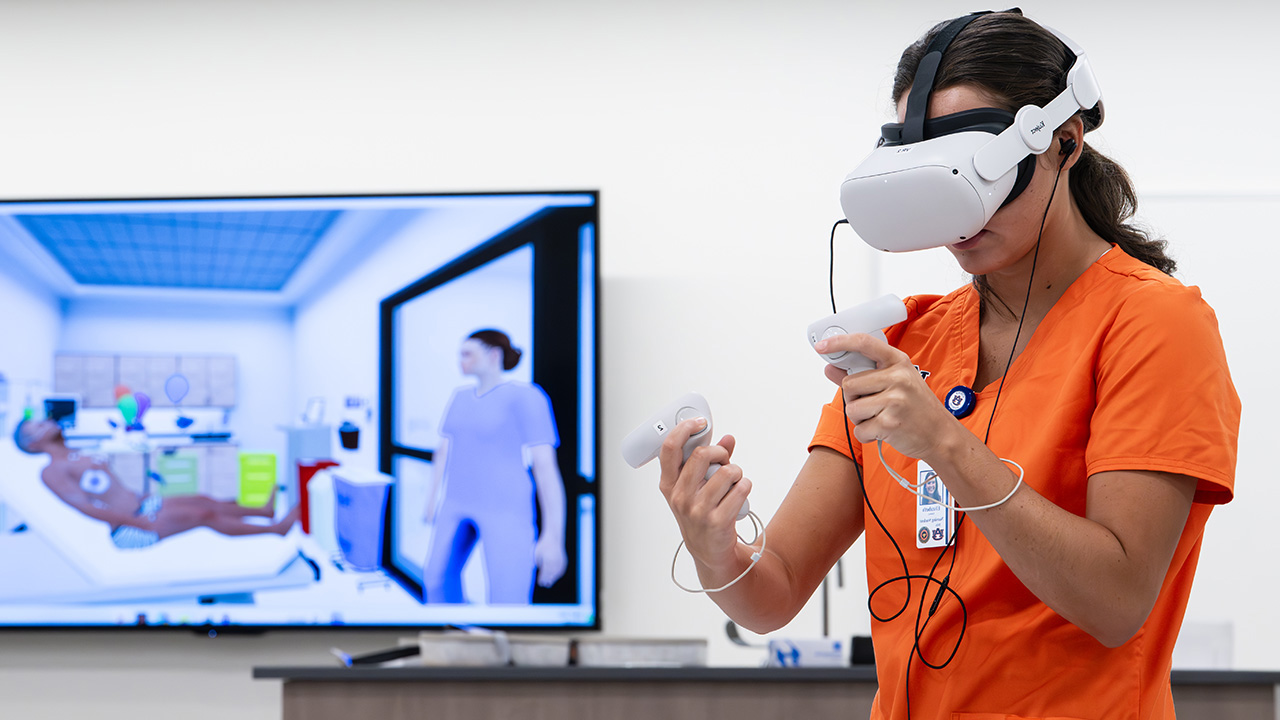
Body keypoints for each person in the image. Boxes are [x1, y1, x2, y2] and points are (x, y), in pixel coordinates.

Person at [657, 11, 1239, 720]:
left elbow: (1116, 603)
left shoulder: (1153, 323)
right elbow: (772, 593)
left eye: (974, 170)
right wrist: (715, 548)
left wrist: (944, 444)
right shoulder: (910, 339)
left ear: (1063, 141)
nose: (957, 215)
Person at [422, 329, 567, 603]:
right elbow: (442, 452)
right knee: (436, 582)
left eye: (467, 354)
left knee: (507, 597)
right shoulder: (460, 396)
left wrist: (553, 536)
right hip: (455, 502)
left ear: (493, 355)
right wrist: (431, 500)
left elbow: (545, 469)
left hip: (506, 509)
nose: (460, 360)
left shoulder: (526, 397)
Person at [14, 418, 300, 548]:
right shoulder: (52, 471)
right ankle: (277, 530)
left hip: (141, 504)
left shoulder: (77, 452)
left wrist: (141, 498)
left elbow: (109, 487)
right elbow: (86, 508)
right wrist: (141, 523)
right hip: (129, 528)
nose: (45, 421)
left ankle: (263, 513)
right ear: (34, 443)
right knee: (203, 516)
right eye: (37, 426)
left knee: (203, 499)